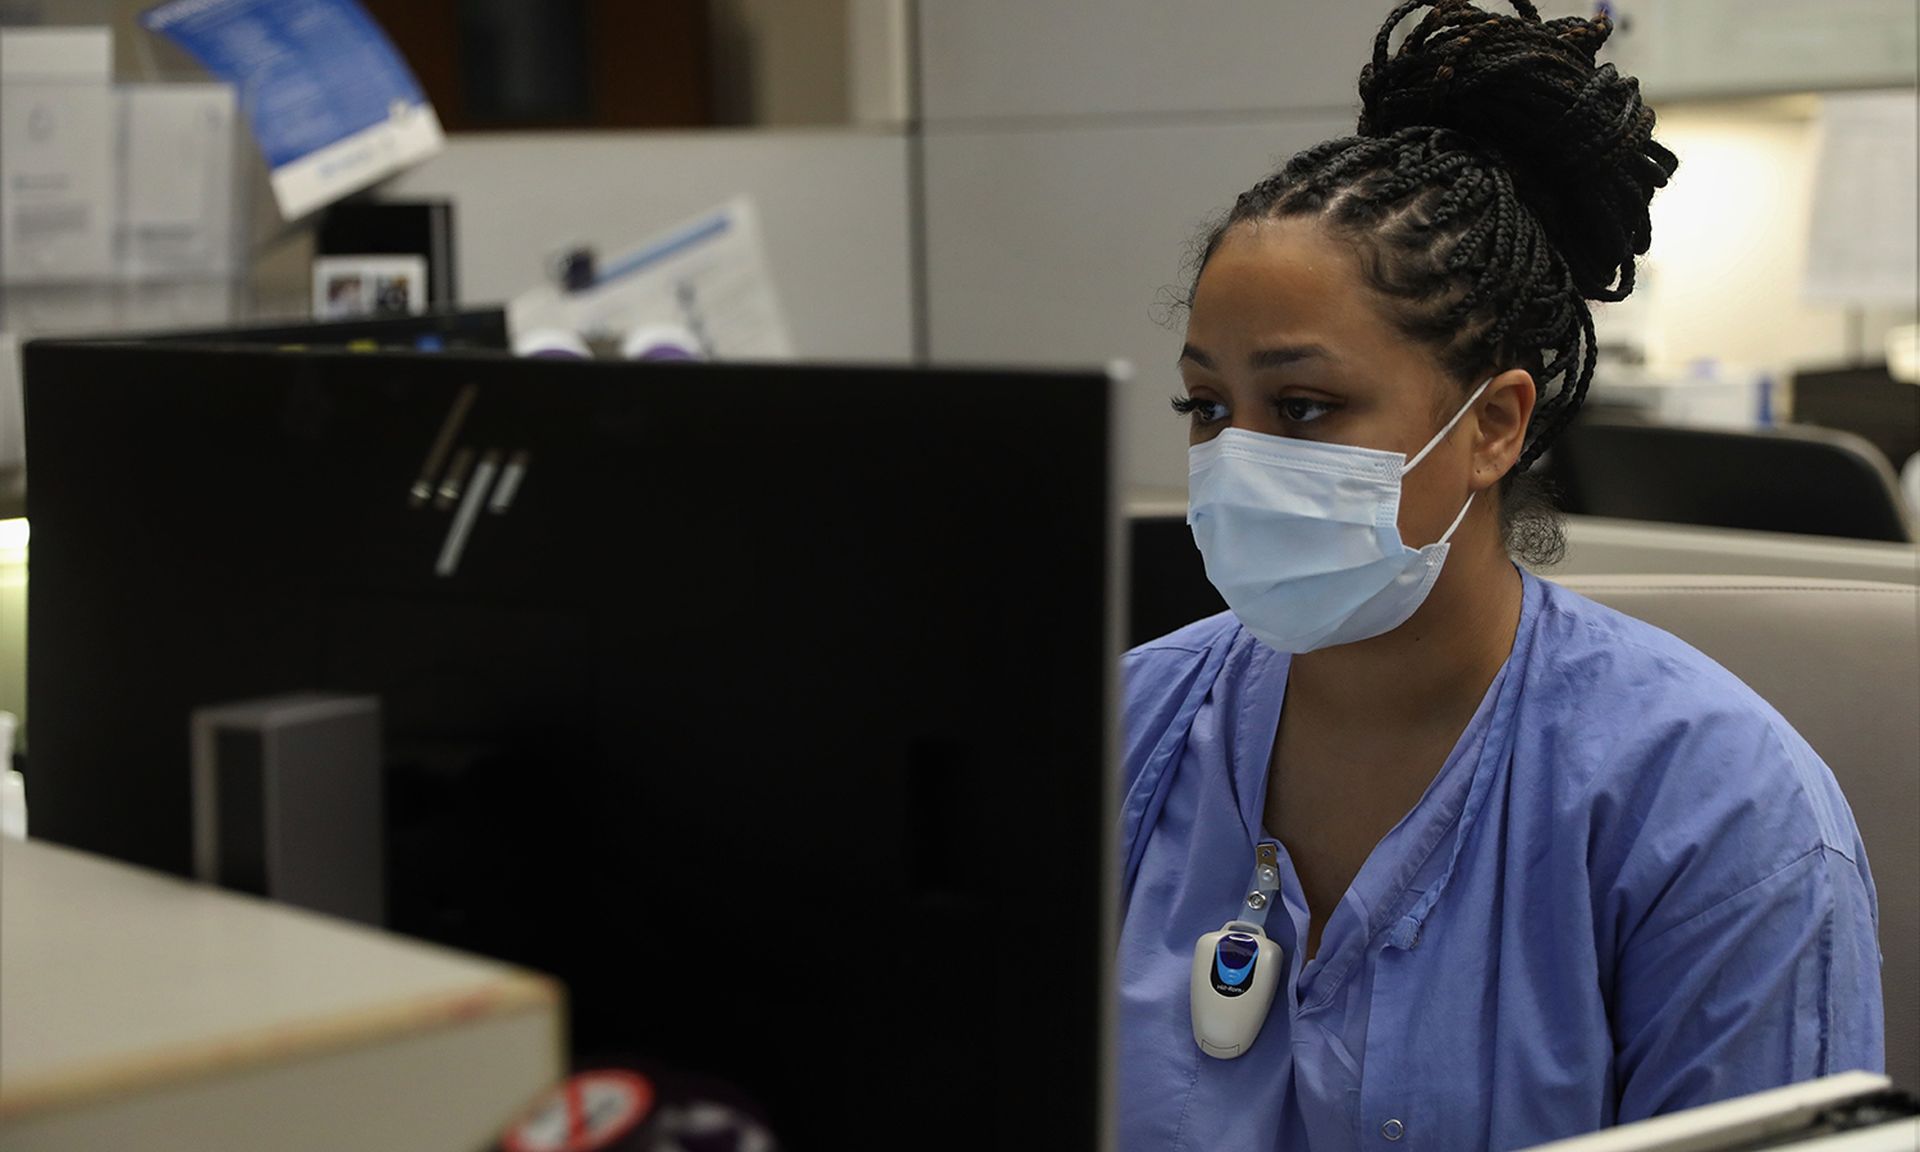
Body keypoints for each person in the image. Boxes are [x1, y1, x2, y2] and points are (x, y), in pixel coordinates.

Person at [1117, 2, 1885, 1148]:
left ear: (1493, 426)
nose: (1239, 459)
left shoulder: (1714, 811)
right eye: (1208, 408)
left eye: (1306, 408)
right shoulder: (1126, 736)